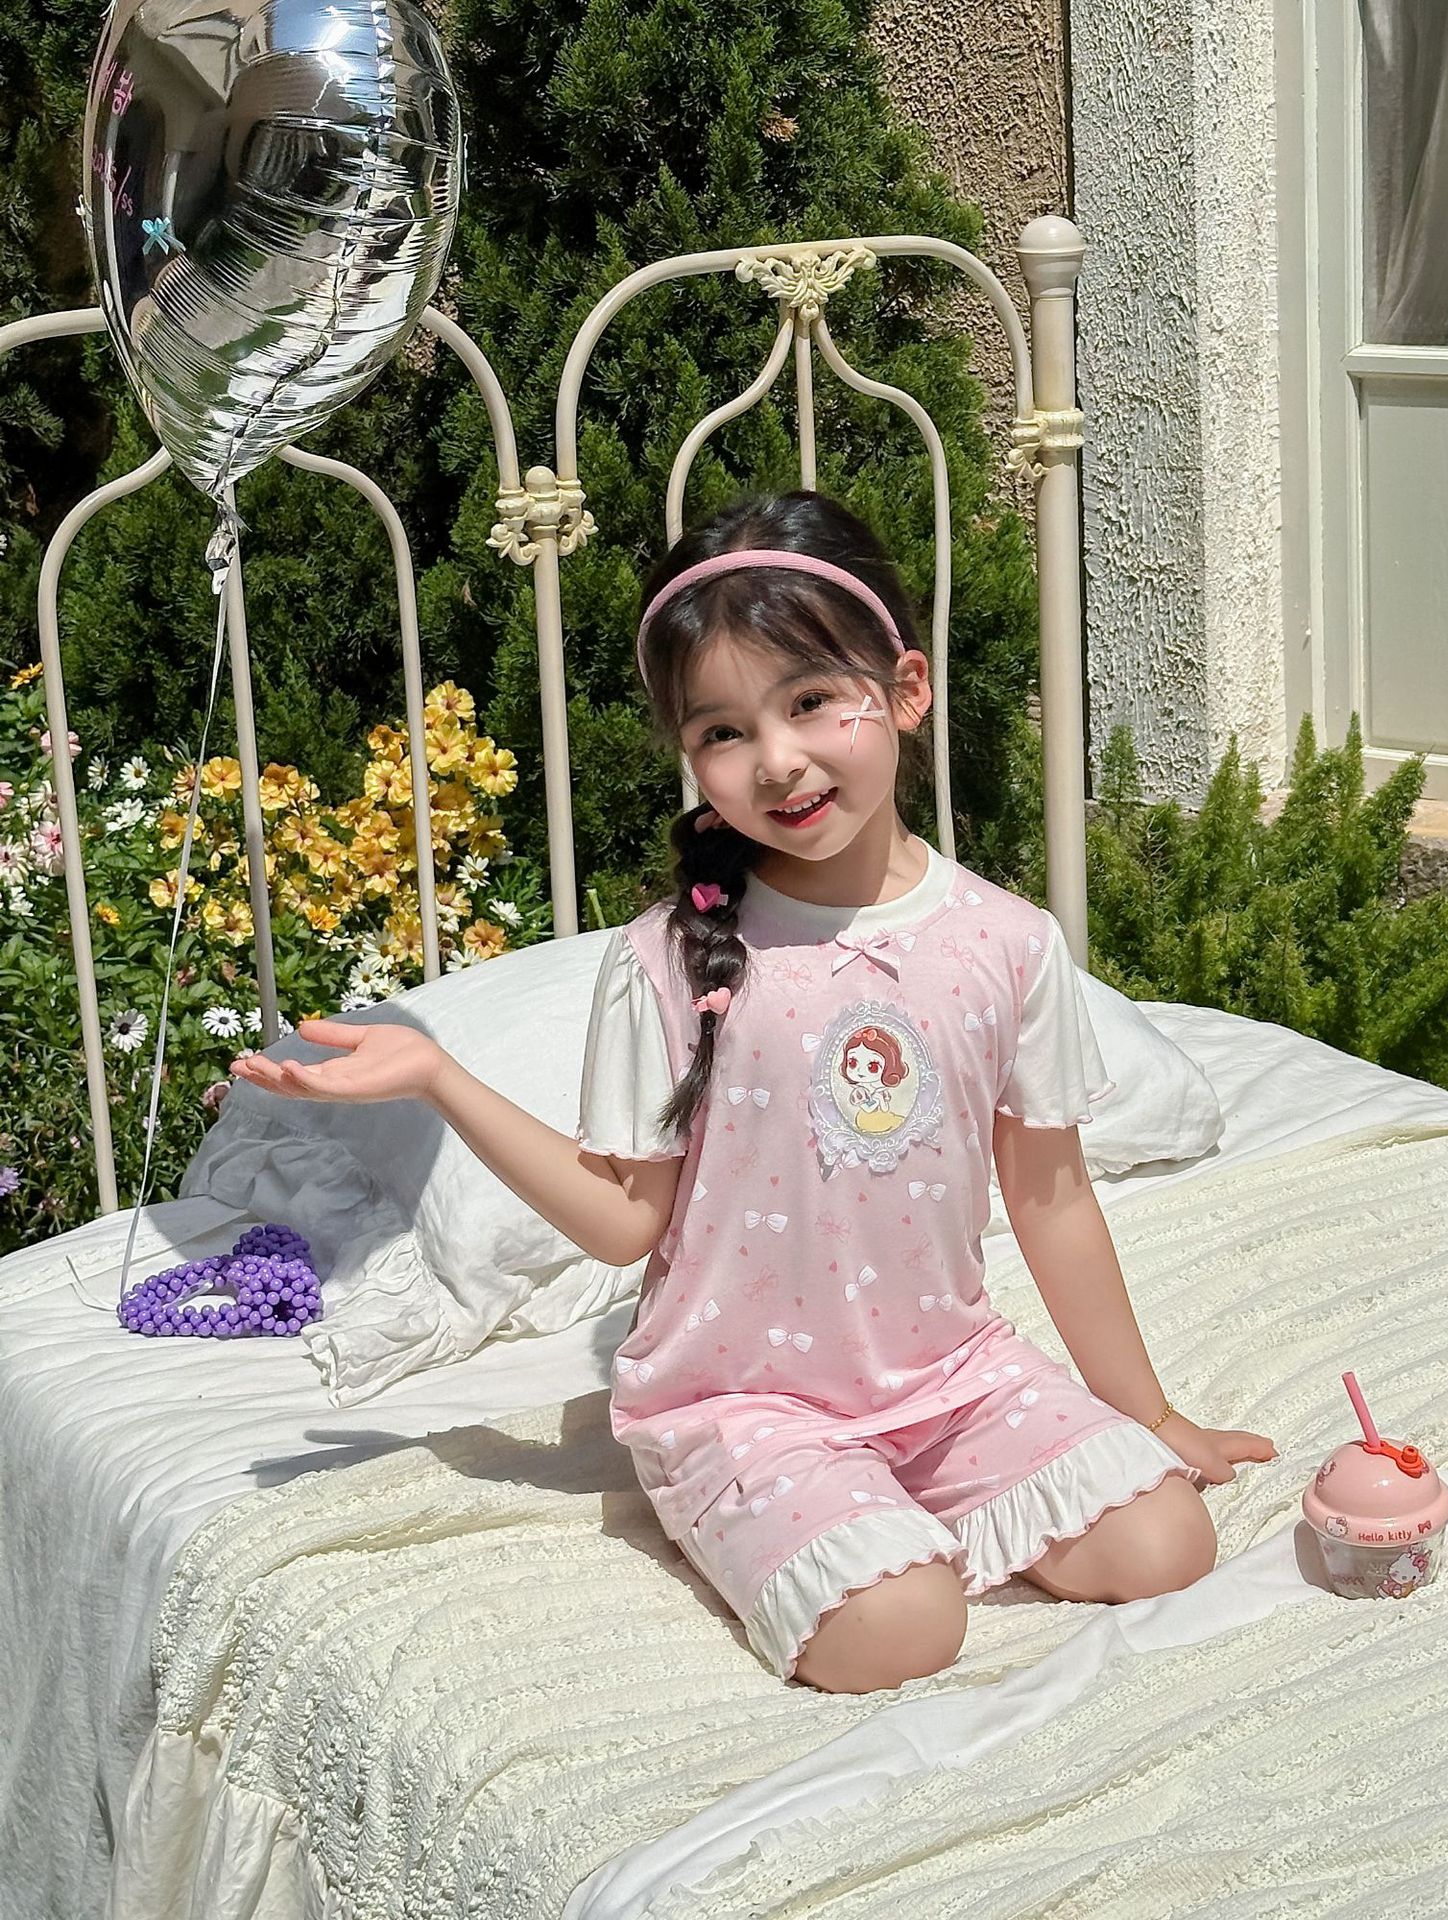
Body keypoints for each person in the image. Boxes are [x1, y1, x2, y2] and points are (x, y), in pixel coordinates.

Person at [231, 490, 1275, 1693]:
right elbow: (625, 1222)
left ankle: (900, 1502)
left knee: (1167, 1541)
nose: (777, 760)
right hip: (741, 1403)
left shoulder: (1007, 942)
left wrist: (1150, 1416)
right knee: (903, 1628)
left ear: (907, 690)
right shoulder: (669, 959)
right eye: (724, 731)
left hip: (951, 1377)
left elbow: (1053, 1200)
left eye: (813, 701)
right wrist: (438, 1079)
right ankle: (817, 1516)